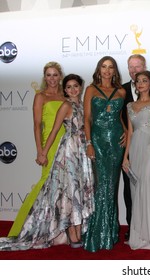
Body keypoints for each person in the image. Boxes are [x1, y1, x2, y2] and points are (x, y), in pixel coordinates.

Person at [0, 74, 94, 250]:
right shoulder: (66, 106)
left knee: (80, 190)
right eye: (69, 87)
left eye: (75, 86)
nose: (73, 89)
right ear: (64, 90)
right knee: (70, 191)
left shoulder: (83, 106)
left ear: (81, 88)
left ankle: (78, 231)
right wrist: (42, 152)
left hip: (82, 152)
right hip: (69, 151)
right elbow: (54, 130)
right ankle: (72, 234)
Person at [7, 62, 66, 238]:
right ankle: (22, 226)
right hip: (49, 143)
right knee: (45, 183)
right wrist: (40, 151)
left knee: (62, 187)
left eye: (55, 75)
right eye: (48, 75)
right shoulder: (41, 97)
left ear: (60, 77)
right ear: (44, 77)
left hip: (66, 144)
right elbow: (36, 125)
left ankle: (54, 229)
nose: (52, 79)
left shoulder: (65, 96)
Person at [83, 56, 127, 252]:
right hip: (98, 142)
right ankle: (98, 232)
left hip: (116, 142)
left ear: (115, 71)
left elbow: (120, 117)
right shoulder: (91, 89)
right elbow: (87, 119)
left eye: (111, 67)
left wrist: (126, 132)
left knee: (113, 185)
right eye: (104, 67)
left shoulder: (122, 91)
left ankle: (109, 232)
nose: (107, 71)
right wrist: (89, 143)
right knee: (101, 186)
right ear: (99, 69)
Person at [121, 54, 150, 241]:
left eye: (144, 80)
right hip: (135, 151)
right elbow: (130, 133)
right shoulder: (130, 105)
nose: (140, 83)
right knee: (135, 190)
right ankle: (138, 234)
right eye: (138, 81)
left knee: (149, 188)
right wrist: (125, 157)